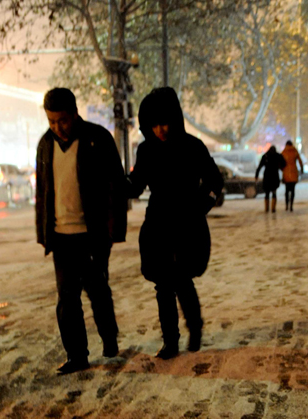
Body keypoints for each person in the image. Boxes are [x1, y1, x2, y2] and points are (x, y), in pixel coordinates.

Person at [35, 87, 127, 375]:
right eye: (51, 121)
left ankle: (109, 337)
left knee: (98, 290)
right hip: (61, 235)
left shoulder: (97, 139)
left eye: (61, 120)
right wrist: (43, 232)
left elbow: (115, 186)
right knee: (67, 298)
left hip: (93, 234)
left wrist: (113, 229)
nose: (57, 127)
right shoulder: (45, 144)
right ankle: (77, 355)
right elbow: (43, 191)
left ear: (75, 114)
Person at [126, 87, 223, 360]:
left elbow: (215, 181)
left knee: (182, 280)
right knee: (163, 284)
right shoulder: (145, 151)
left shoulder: (193, 147)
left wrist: (202, 206)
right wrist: (121, 185)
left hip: (187, 224)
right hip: (158, 224)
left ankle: (195, 327)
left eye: (165, 122)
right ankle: (170, 341)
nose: (160, 130)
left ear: (176, 119)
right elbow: (136, 185)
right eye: (154, 124)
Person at [255, 145, 286, 212]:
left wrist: (256, 175)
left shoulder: (265, 156)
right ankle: (273, 208)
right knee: (274, 192)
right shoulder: (278, 156)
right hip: (274, 176)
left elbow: (259, 166)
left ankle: (266, 208)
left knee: (267, 193)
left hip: (267, 176)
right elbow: (284, 164)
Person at [281, 139, 303, 211]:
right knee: (293, 190)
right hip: (293, 173)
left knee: (287, 190)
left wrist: (283, 170)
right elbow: (300, 161)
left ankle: (287, 205)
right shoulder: (295, 151)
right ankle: (291, 206)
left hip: (286, 173)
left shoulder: (284, 152)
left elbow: (280, 163)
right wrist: (301, 170)